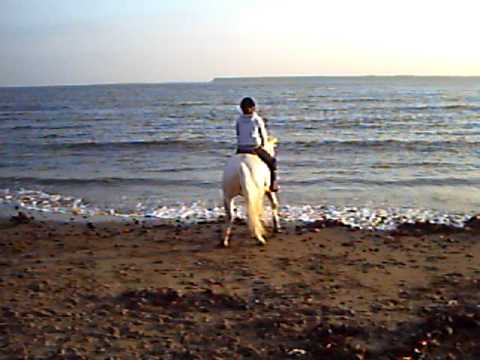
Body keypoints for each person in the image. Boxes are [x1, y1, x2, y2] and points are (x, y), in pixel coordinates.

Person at [235, 97, 279, 192]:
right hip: (254, 148)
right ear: (253, 107)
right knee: (272, 162)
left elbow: (238, 133)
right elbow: (263, 135)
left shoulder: (238, 120)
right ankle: (273, 184)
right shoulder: (257, 119)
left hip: (241, 148)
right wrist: (263, 145)